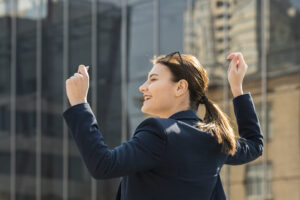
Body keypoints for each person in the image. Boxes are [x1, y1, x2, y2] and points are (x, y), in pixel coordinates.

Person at [63, 52, 263, 200]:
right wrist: (237, 89)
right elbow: (255, 145)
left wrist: (80, 104)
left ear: (180, 87)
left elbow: (102, 165)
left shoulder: (159, 132)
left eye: (153, 79)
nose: (143, 87)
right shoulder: (214, 138)